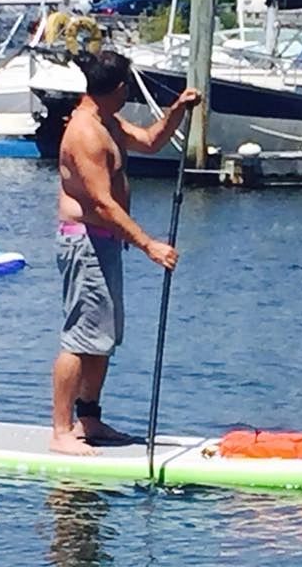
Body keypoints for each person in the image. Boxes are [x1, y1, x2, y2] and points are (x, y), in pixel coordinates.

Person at [50, 49, 200, 456]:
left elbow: (151, 142)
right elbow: (102, 203)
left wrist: (177, 110)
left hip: (105, 243)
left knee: (102, 336)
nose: (129, 94)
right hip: (84, 241)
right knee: (79, 337)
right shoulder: (85, 132)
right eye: (128, 88)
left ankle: (89, 418)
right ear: (117, 89)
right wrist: (149, 244)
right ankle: (61, 431)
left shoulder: (107, 121)